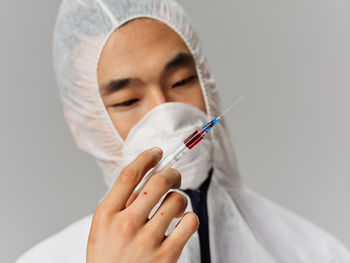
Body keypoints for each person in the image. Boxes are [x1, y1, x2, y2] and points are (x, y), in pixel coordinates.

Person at [17, 0, 350, 262]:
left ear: (208, 85)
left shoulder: (314, 253)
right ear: (84, 126)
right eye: (128, 100)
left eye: (182, 81)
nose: (166, 113)